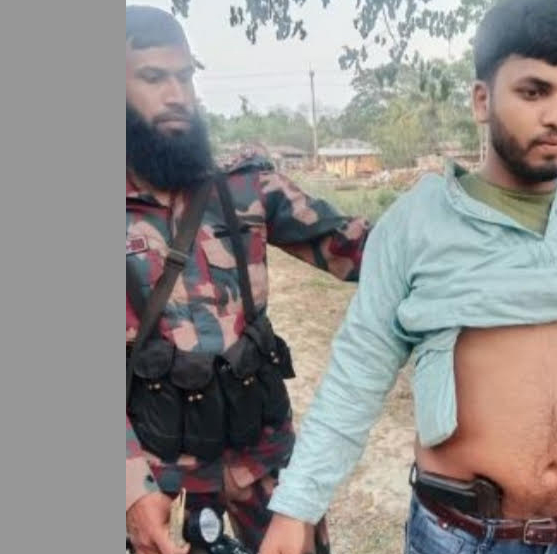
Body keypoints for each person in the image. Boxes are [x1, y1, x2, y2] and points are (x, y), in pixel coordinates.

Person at [257, 1, 557, 553]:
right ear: (482, 100)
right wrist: (297, 507)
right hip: (461, 537)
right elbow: (356, 376)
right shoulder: (418, 225)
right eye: (534, 91)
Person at [125, 6, 371, 554]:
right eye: (153, 77)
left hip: (262, 453)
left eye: (185, 77)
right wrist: (127, 489)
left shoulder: (245, 187)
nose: (176, 95)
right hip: (158, 470)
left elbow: (362, 250)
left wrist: (449, 228)